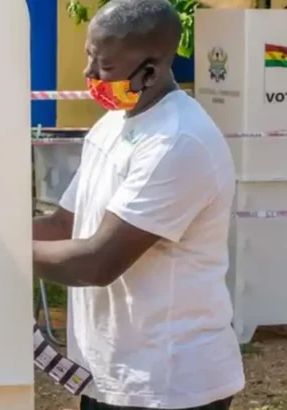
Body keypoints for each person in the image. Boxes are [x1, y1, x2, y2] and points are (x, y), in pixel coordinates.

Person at [32, 1, 244, 409]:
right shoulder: (114, 123)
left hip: (170, 386)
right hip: (110, 377)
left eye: (105, 65)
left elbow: (97, 262)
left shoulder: (178, 141)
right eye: (89, 56)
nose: (89, 74)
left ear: (149, 72)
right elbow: (64, 226)